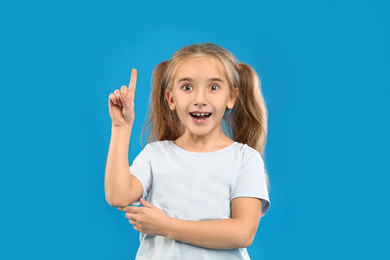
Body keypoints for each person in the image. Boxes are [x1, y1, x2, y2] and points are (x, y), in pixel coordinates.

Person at [105, 42, 270, 259]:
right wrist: (121, 127)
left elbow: (243, 233)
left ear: (231, 97)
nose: (199, 100)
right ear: (171, 99)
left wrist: (166, 226)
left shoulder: (245, 159)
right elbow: (118, 196)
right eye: (187, 87)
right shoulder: (155, 155)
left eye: (213, 87)